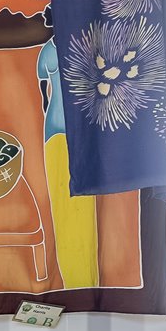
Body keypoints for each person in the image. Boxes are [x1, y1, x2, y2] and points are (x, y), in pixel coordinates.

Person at [38, 37, 99, 287]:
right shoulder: (56, 50)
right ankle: (75, 278)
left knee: (75, 203)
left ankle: (83, 279)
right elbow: (44, 93)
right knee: (66, 203)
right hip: (61, 131)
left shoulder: (54, 50)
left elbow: (44, 94)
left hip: (66, 130)